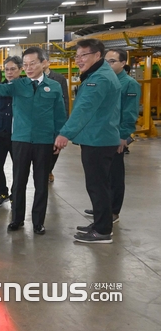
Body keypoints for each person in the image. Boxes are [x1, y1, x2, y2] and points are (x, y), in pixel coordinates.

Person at [0, 47, 66, 235]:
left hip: (44, 141)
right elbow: (2, 88)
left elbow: (59, 114)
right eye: (25, 65)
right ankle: (17, 219)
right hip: (20, 139)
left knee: (41, 182)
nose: (28, 68)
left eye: (32, 63)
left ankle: (38, 222)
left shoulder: (54, 87)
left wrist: (59, 136)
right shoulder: (19, 85)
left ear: (44, 63)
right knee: (19, 181)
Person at [54, 39, 121, 244]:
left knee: (97, 185)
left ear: (97, 56)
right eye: (77, 56)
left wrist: (65, 133)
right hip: (101, 137)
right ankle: (102, 223)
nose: (79, 60)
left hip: (98, 140)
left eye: (84, 55)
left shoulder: (98, 79)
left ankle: (102, 231)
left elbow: (84, 109)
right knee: (100, 184)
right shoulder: (100, 75)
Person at [81, 49, 139, 225]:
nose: (108, 64)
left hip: (115, 137)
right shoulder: (105, 80)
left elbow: (130, 113)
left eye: (113, 61)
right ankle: (102, 208)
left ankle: (113, 211)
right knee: (100, 177)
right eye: (106, 61)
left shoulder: (129, 84)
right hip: (100, 136)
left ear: (123, 63)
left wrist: (123, 137)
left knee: (114, 175)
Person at [0, 58, 21, 208]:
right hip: (0, 133)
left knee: (18, 166)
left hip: (19, 135)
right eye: (7, 69)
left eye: (13, 69)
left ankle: (16, 194)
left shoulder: (25, 88)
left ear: (20, 70)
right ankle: (2, 192)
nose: (9, 72)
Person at [44, 55, 70, 182]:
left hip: (55, 118)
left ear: (48, 62)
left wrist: (65, 119)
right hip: (41, 120)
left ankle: (49, 170)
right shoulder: (30, 79)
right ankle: (44, 171)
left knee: (54, 148)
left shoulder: (59, 79)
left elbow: (65, 99)